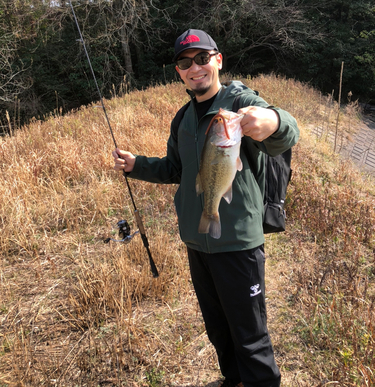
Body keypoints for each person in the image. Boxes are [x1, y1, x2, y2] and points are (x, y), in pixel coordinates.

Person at [112, 29, 300, 387]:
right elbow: (175, 169)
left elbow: (286, 129)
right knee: (218, 327)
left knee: (250, 334)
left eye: (202, 58)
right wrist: (137, 165)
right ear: (179, 72)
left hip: (238, 244)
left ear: (218, 60)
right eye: (185, 62)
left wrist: (272, 122)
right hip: (197, 242)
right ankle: (234, 380)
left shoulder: (239, 101)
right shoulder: (182, 118)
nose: (194, 67)